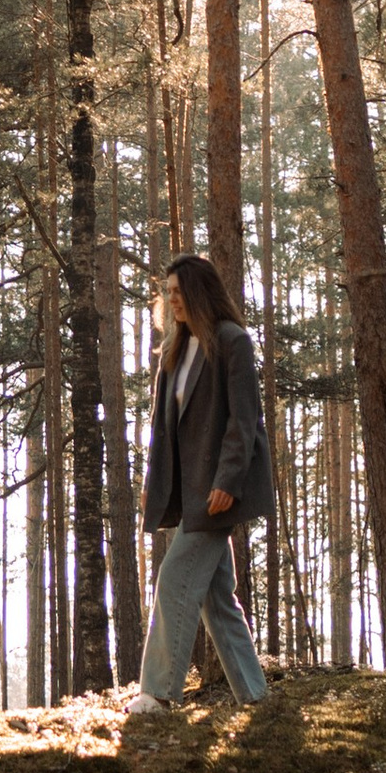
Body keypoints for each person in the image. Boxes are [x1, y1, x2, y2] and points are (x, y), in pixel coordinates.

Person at [129, 251, 274, 714]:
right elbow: (162, 430)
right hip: (186, 492)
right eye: (166, 293)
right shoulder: (175, 349)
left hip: (216, 494)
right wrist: (155, 483)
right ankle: (255, 696)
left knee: (173, 580)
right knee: (216, 600)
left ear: (197, 291)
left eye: (177, 291)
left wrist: (228, 479)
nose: (171, 300)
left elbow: (244, 419)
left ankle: (157, 693)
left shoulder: (232, 341)